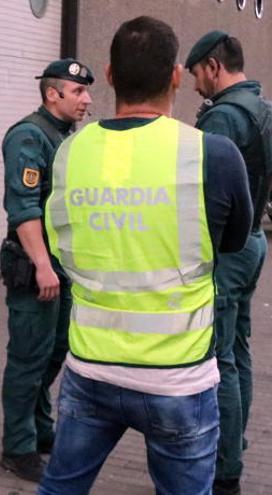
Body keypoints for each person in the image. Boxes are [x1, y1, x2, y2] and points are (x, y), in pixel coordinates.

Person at [39, 16, 253, 494]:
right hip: (177, 379)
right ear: (177, 75)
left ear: (110, 75)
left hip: (91, 366)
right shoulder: (212, 154)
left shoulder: (69, 153)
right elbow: (235, 241)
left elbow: (61, 244)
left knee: (60, 487)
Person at [0, 58, 94, 482]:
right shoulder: (28, 136)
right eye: (78, 92)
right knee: (27, 357)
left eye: (86, 91)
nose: (87, 99)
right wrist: (42, 266)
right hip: (36, 264)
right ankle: (17, 446)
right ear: (52, 94)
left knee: (55, 351)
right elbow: (24, 207)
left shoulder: (64, 137)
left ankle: (39, 427)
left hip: (62, 265)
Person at [186, 31, 272, 495]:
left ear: (214, 67)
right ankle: (233, 450)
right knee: (237, 354)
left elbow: (202, 198)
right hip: (254, 240)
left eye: (197, 73)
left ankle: (223, 470)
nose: (195, 84)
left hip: (226, 251)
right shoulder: (264, 109)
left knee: (219, 360)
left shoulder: (223, 120)